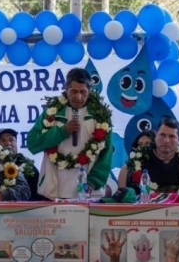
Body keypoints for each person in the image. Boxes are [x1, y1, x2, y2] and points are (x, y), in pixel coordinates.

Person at [27, 68, 114, 200]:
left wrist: (93, 180)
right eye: (73, 91)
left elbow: (106, 153)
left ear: (89, 91)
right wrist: (62, 131)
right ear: (65, 89)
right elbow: (32, 143)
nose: (78, 97)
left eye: (83, 92)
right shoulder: (53, 112)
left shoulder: (100, 116)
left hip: (89, 187)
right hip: (57, 187)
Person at [125, 116, 179, 197]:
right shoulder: (140, 160)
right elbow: (132, 196)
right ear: (156, 136)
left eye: (172, 136)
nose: (166, 141)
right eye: (162, 135)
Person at [0, 127, 43, 201]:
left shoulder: (29, 167)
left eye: (11, 140)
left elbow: (37, 194)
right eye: (3, 140)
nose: (8, 143)